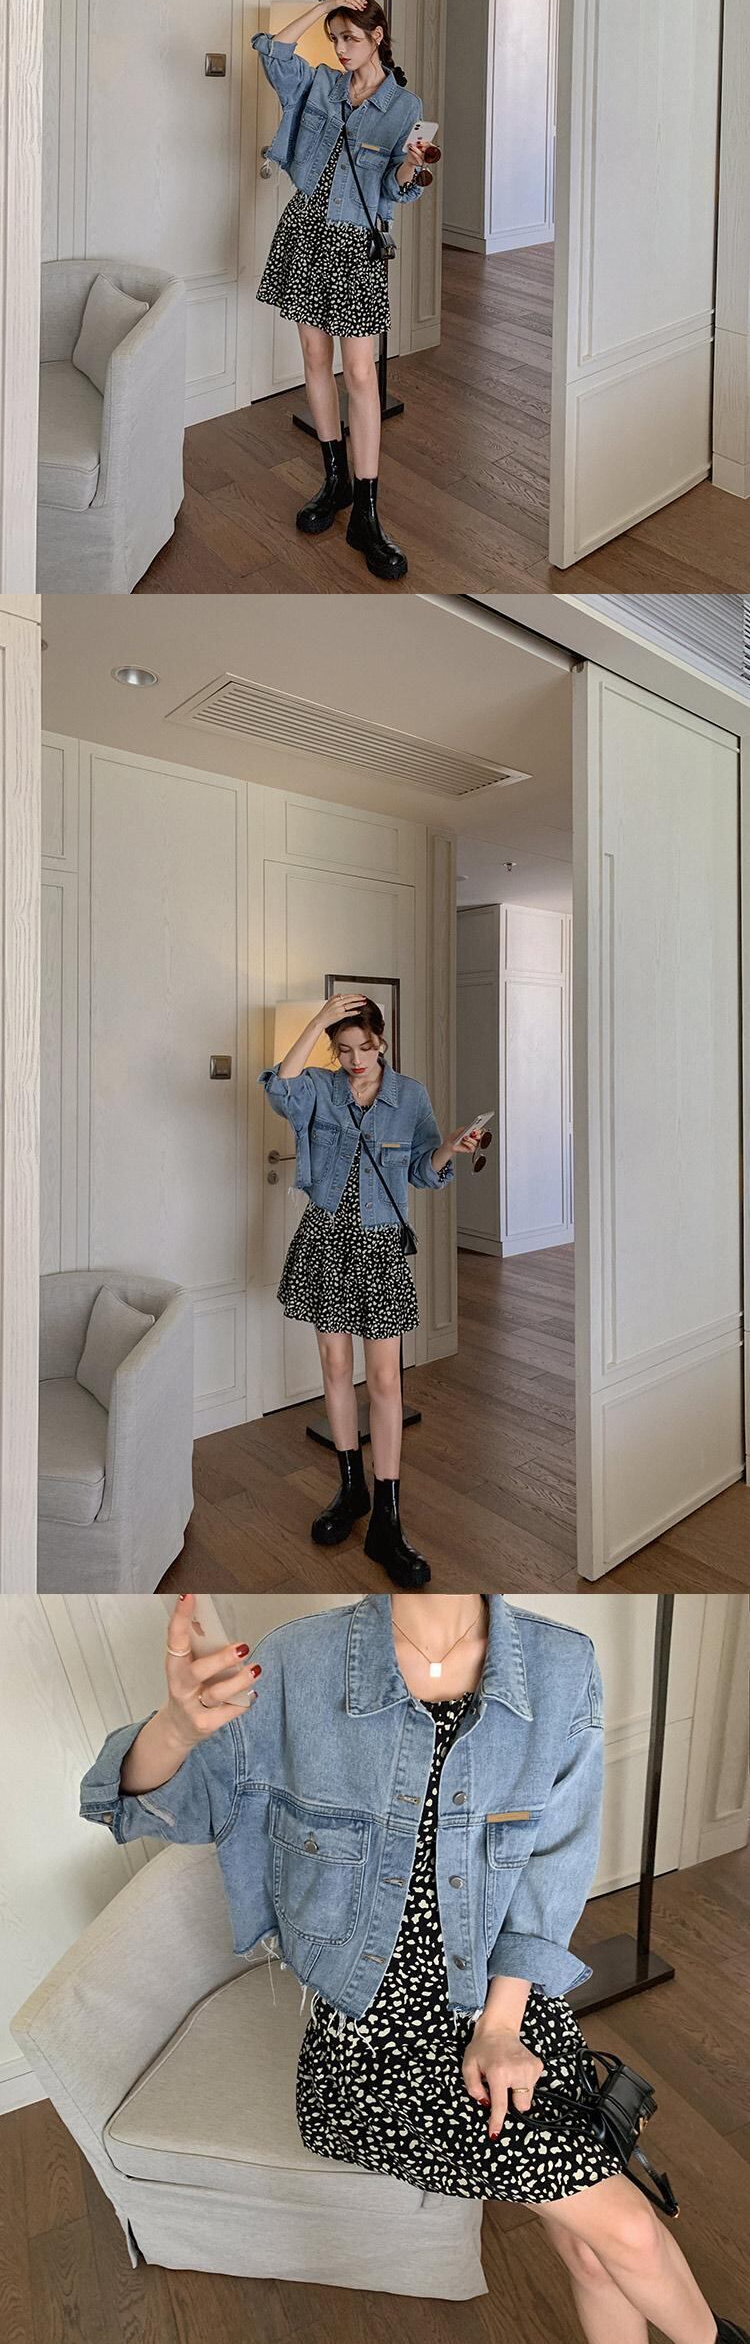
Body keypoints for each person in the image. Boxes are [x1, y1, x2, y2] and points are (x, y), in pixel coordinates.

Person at [81, 1587, 744, 2344]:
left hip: (510, 2013)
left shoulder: (561, 1665)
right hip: (372, 2048)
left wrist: (501, 2027)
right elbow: (145, 1806)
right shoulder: (298, 1664)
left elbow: (552, 1868)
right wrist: (174, 1728)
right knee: (623, 2229)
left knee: (595, 2255)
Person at [264, 992, 487, 1585]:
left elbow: (421, 1171)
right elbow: (280, 1089)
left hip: (380, 1244)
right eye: (344, 1049)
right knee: (336, 1367)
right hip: (325, 1238)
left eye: (364, 1047)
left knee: (386, 1380)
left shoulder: (410, 1096)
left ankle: (387, 1519)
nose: (356, 1059)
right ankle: (350, 1489)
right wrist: (319, 1019)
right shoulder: (319, 1087)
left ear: (382, 1042)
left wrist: (450, 1147)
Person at [253, 0, 439, 581]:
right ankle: (333, 480)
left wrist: (412, 164)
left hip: (356, 242)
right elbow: (272, 50)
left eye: (350, 38)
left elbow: (395, 189)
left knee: (360, 374)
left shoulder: (403, 105)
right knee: (314, 357)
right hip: (306, 228)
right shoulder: (321, 85)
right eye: (334, 38)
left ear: (377, 37)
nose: (339, 49)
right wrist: (326, 4)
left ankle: (366, 512)